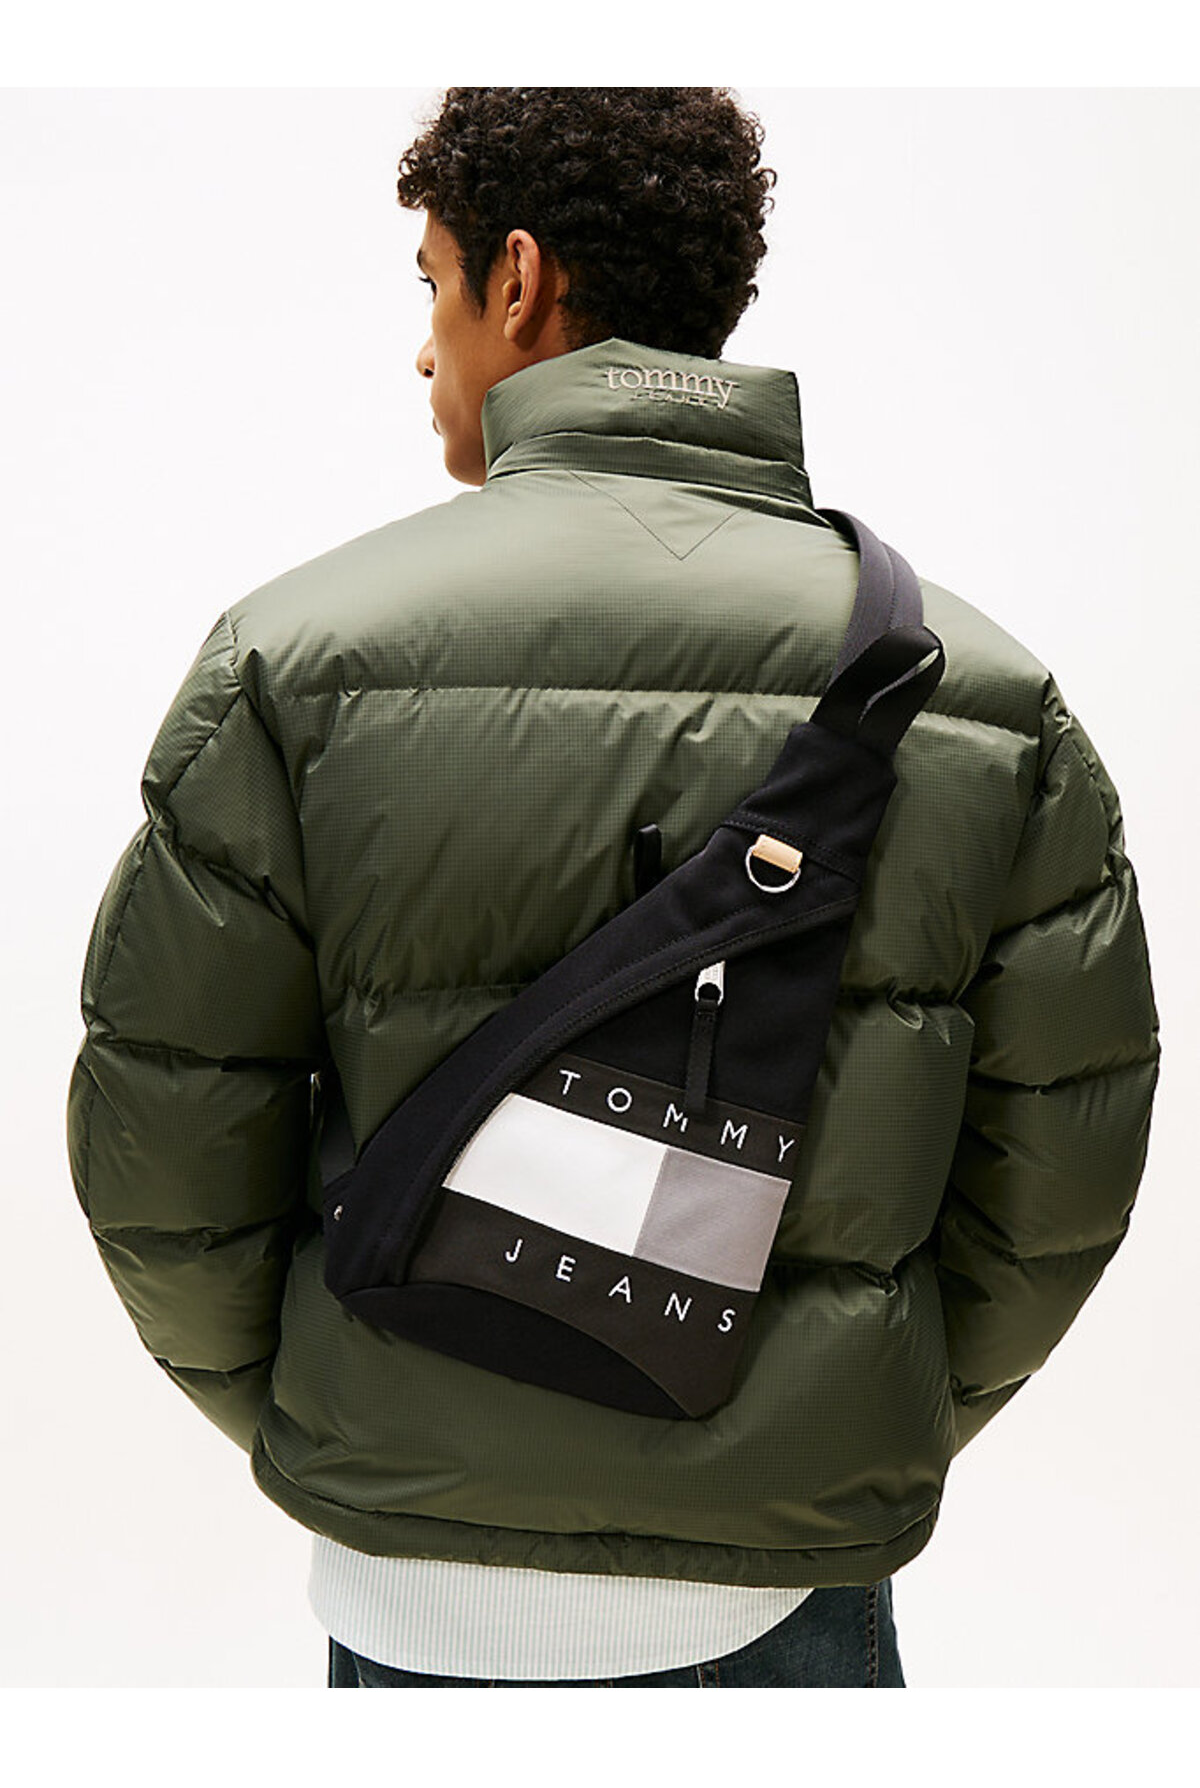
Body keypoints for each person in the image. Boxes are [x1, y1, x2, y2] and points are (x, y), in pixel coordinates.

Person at [66, 87, 1160, 1690]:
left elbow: (166, 1141)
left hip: (408, 1589)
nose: (424, 351)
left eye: (432, 286)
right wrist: (847, 1417)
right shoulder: (983, 700)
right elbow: (1063, 1167)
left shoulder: (290, 662)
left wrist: (350, 1405)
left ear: (517, 283)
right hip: (789, 1592)